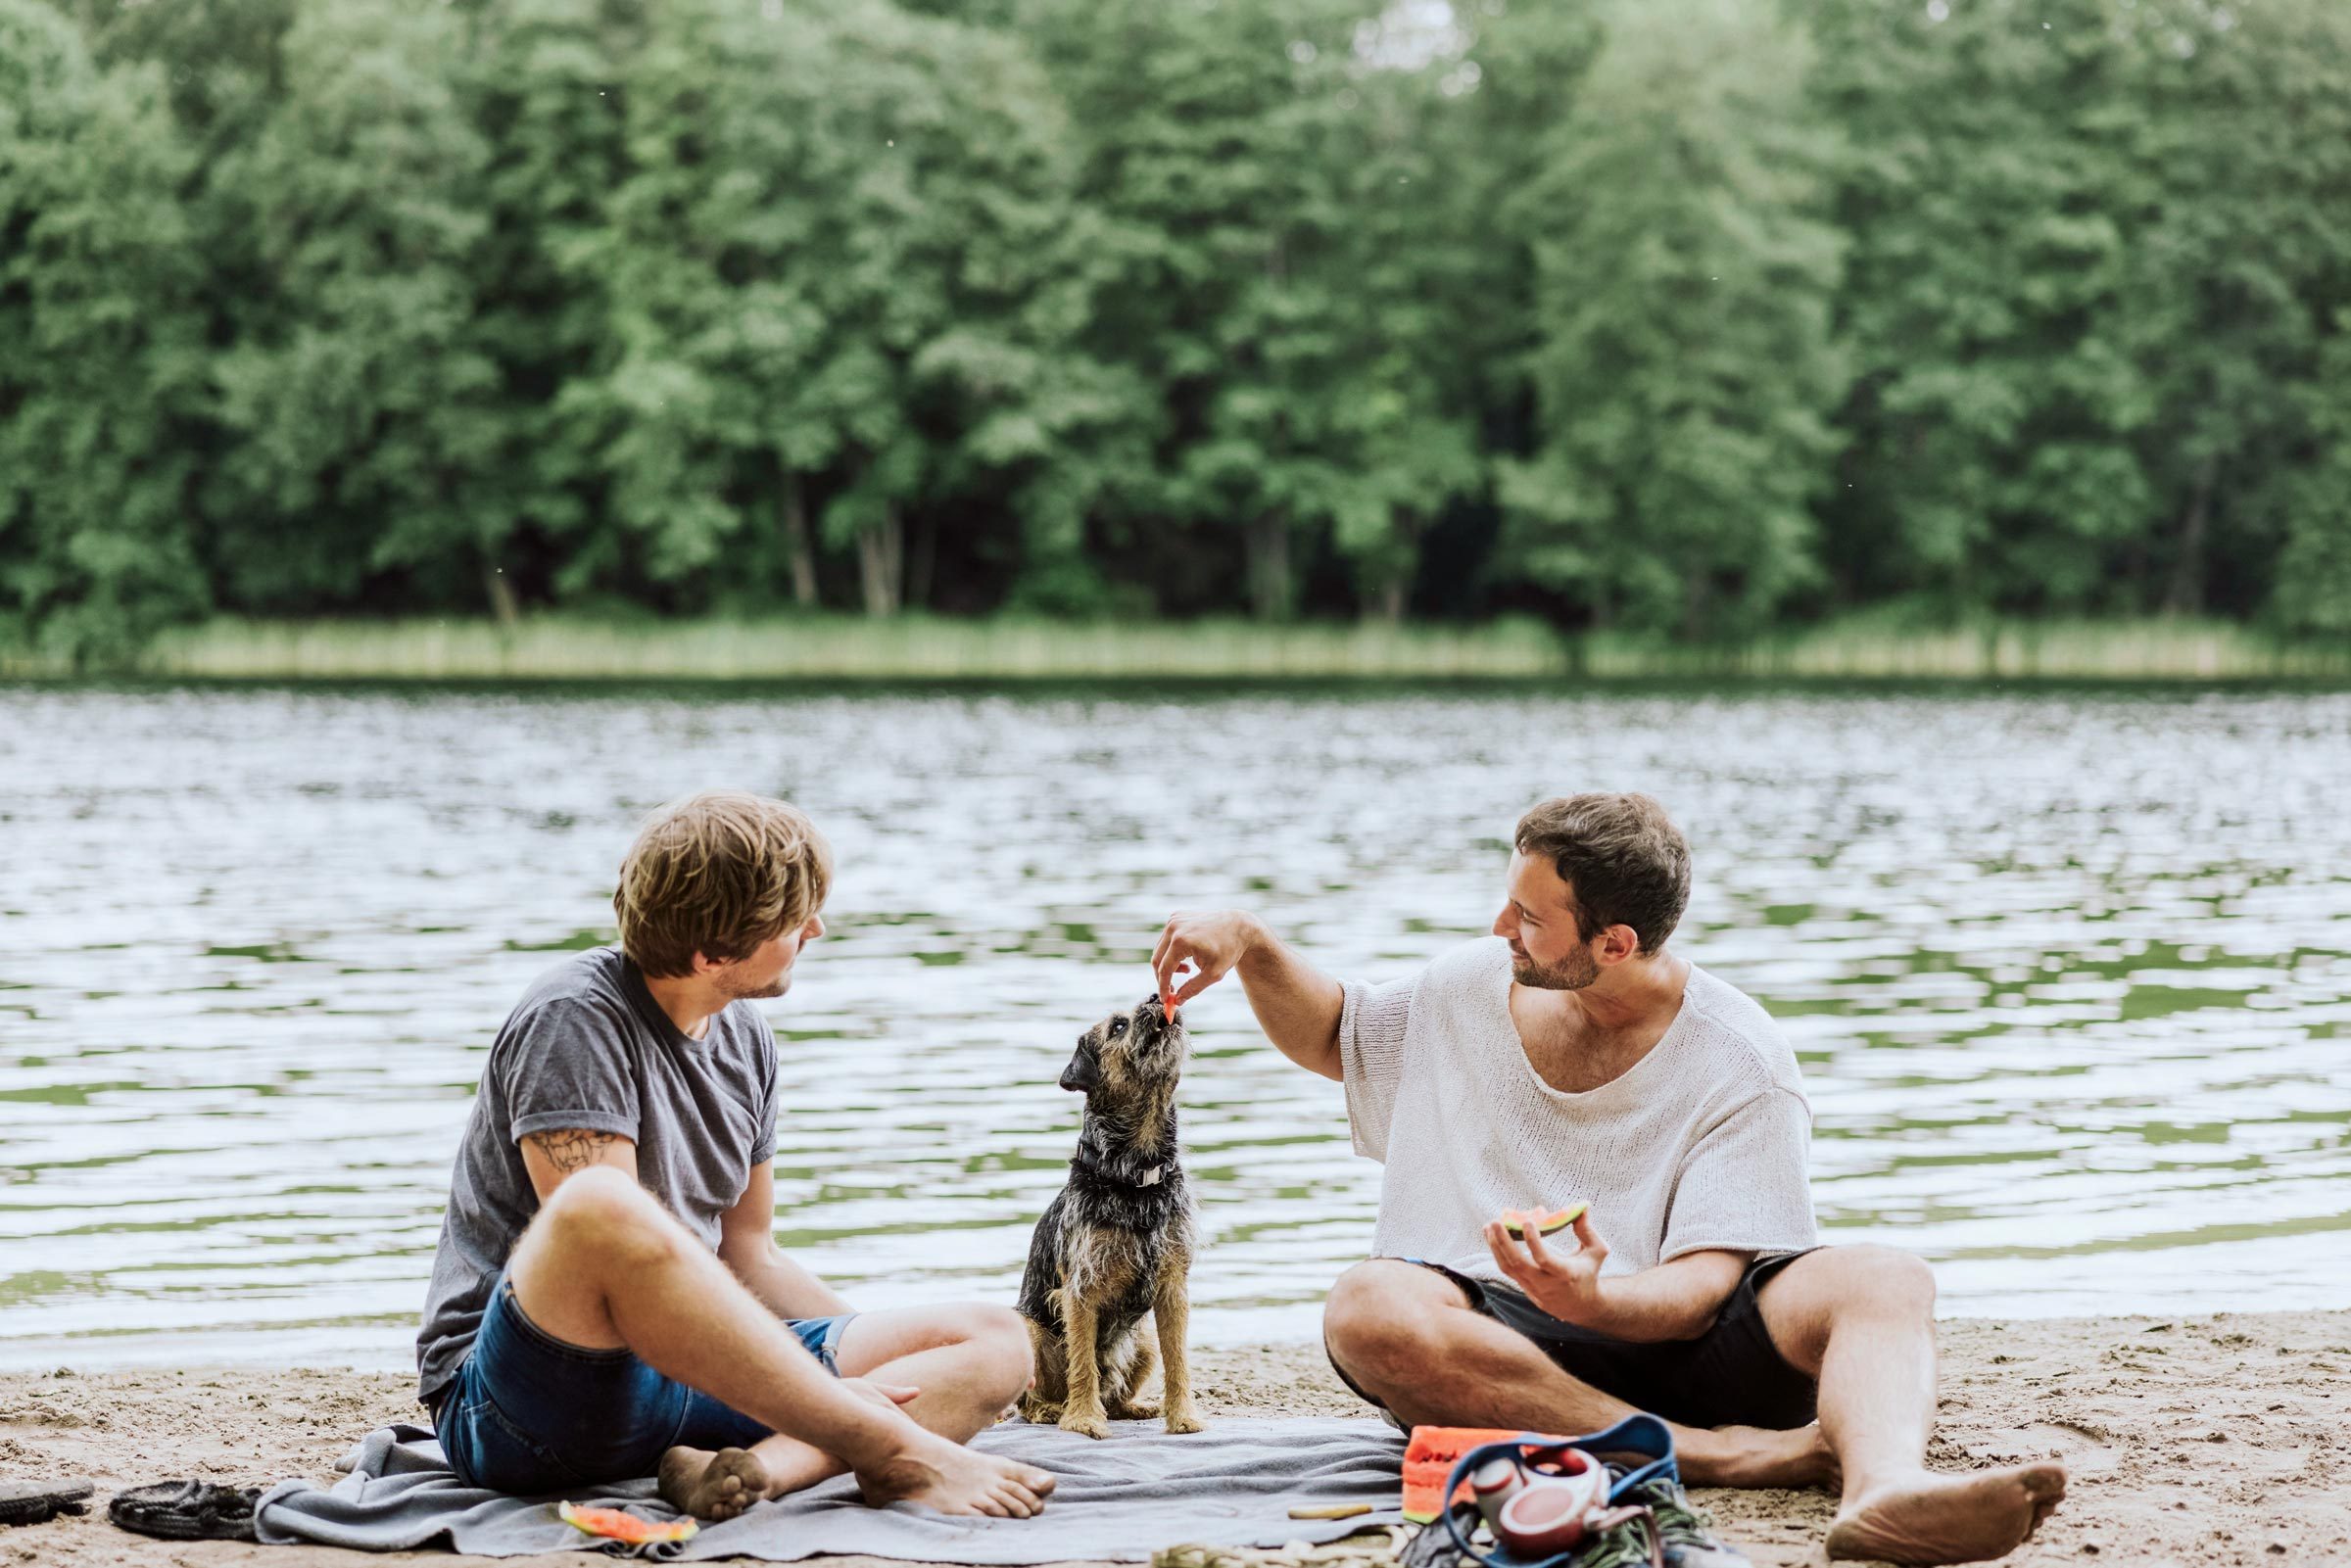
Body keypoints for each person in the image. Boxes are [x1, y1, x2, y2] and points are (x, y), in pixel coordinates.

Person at [1151, 792, 2065, 1566]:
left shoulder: (1741, 1058)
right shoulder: (1471, 984)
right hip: (1507, 1353)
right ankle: (1723, 1459)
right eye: (1510, 901)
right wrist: (1255, 945)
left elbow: (1708, 1286)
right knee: (1367, 1306)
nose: (1500, 927)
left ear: (1616, 941)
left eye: (1530, 917)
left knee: (1885, 1274)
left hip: (1686, 1335)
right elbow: (1335, 1035)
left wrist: (1594, 1297)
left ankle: (1885, 1487)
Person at [415, 790, 1053, 1521]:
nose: (815, 928)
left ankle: (759, 1470)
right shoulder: (571, 1018)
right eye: (793, 920)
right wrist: (853, 1405)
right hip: (521, 1404)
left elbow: (752, 1256)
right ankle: (883, 1446)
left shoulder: (745, 1034)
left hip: (687, 1385)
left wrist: (897, 1375)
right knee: (601, 1205)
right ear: (711, 951)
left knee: (995, 1338)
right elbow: (604, 1247)